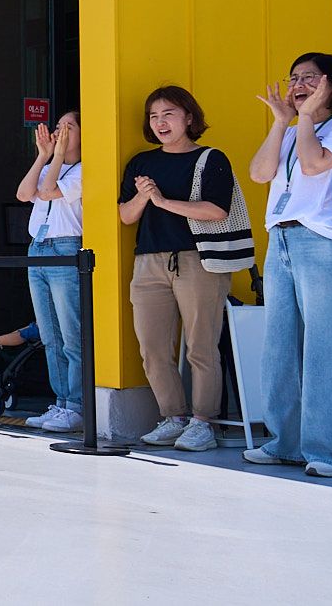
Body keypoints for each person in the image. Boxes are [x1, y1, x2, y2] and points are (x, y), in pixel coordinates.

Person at [120, 85, 233, 451]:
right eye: (154, 116)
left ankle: (204, 423)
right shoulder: (141, 163)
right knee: (152, 347)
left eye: (168, 114)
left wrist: (163, 201)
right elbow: (125, 216)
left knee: (201, 346)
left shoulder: (211, 158)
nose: (160, 122)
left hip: (198, 260)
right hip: (148, 261)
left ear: (189, 116)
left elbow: (216, 211)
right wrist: (144, 196)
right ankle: (174, 417)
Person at [247, 52, 332, 477]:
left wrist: (303, 118)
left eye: (309, 77)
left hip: (322, 240)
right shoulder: (290, 130)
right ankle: (285, 442)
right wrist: (281, 122)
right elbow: (260, 173)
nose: (298, 84)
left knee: (323, 346)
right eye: (293, 78)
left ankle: (327, 452)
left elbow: (313, 164)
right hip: (280, 237)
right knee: (280, 344)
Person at [15, 110, 84, 433]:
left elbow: (47, 192)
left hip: (65, 246)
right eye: (59, 126)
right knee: (50, 334)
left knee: (71, 333)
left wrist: (55, 157)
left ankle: (77, 405)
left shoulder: (84, 169)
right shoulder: (48, 166)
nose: (61, 132)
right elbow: (24, 194)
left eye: (69, 127)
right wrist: (43, 156)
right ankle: (61, 401)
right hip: (38, 247)